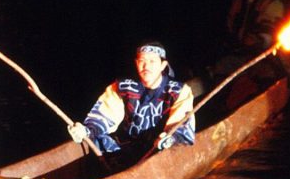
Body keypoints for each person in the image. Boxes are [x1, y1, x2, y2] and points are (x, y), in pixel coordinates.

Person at [68, 42, 196, 171]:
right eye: (142, 61)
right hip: (125, 145)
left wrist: (170, 138)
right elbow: (104, 115)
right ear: (136, 63)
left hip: (155, 147)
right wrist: (86, 130)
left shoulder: (179, 91)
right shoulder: (123, 86)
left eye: (152, 61)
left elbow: (180, 123)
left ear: (163, 65)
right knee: (96, 139)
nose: (146, 66)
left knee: (168, 148)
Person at [210, 0, 290, 97]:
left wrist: (258, 38)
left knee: (264, 76)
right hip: (240, 53)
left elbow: (269, 31)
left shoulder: (272, 2)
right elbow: (230, 24)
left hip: (267, 56)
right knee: (219, 68)